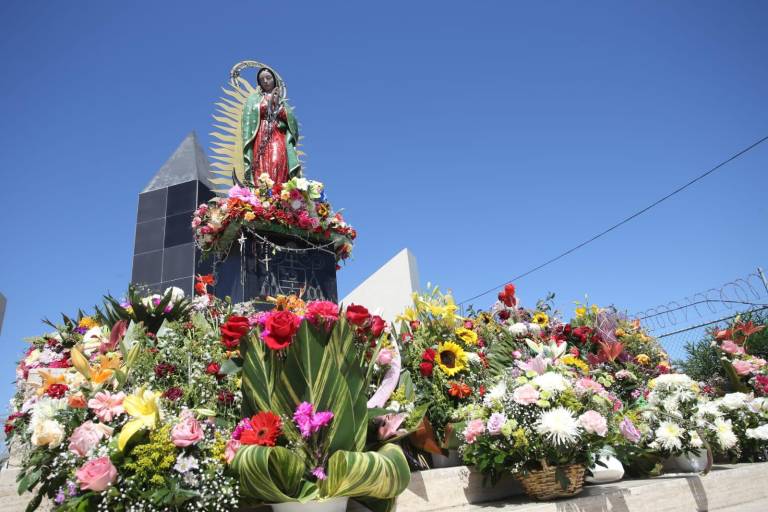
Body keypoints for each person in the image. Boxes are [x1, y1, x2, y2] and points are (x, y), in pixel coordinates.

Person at [241, 68, 301, 184]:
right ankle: (262, 194)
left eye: (268, 78)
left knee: (277, 161)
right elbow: (248, 119)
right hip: (260, 135)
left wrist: (278, 107)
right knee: (261, 167)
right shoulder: (253, 100)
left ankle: (278, 193)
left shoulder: (282, 102)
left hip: (277, 135)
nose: (265, 81)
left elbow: (292, 123)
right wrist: (265, 105)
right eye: (262, 79)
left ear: (274, 80)